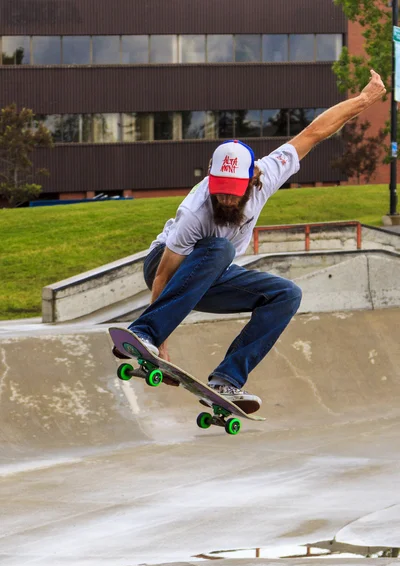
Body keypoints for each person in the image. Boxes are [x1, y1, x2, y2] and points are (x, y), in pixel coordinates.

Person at [116, 70, 386, 411]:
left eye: (233, 193)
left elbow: (314, 133)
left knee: (286, 294)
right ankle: (144, 331)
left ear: (251, 180)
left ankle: (227, 381)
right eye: (220, 193)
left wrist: (362, 101)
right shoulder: (194, 211)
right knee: (220, 248)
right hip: (165, 264)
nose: (226, 201)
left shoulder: (269, 173)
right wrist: (156, 345)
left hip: (211, 275)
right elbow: (162, 277)